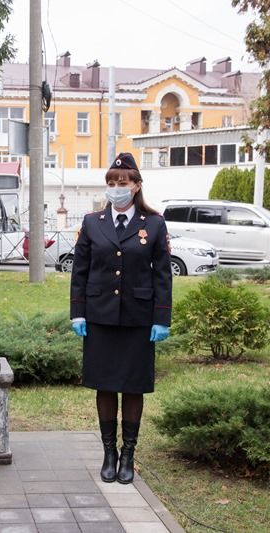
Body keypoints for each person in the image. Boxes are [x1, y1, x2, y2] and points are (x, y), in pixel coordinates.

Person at [69, 152, 172, 484]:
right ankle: (109, 454)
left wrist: (161, 318)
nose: (116, 188)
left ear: (136, 185)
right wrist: (78, 313)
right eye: (111, 182)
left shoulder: (154, 224)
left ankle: (128, 454)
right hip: (99, 318)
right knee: (105, 385)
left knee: (132, 387)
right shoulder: (91, 222)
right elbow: (80, 273)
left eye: (122, 182)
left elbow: (162, 276)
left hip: (138, 319)